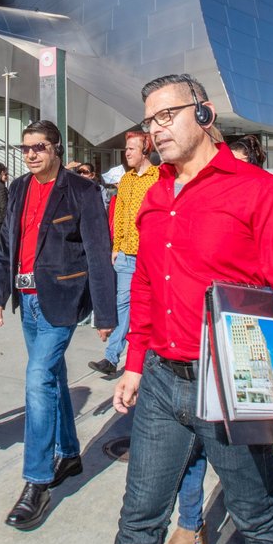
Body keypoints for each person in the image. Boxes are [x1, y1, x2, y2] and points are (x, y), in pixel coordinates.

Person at [110, 74, 273, 544]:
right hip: (162, 384)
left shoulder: (258, 191)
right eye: (150, 121)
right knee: (138, 521)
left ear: (204, 113)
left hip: (231, 382)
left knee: (256, 519)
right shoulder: (154, 195)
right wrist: (135, 363)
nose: (155, 130)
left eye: (167, 116)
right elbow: (145, 286)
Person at [0, 120, 117, 531]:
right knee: (54, 377)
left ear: (56, 149)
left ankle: (37, 482)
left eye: (39, 147)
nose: (30, 154)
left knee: (37, 378)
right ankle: (71, 453)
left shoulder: (82, 191)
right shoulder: (19, 189)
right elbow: (8, 244)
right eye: (24, 148)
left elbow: (99, 253)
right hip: (26, 301)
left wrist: (105, 313)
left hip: (62, 300)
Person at [90, 131, 159, 377]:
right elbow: (119, 216)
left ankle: (145, 358)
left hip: (151, 256)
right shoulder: (126, 181)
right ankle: (111, 357)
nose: (127, 152)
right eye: (126, 148)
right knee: (123, 304)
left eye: (132, 148)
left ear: (145, 151)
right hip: (127, 255)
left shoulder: (158, 178)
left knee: (149, 308)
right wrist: (116, 247)